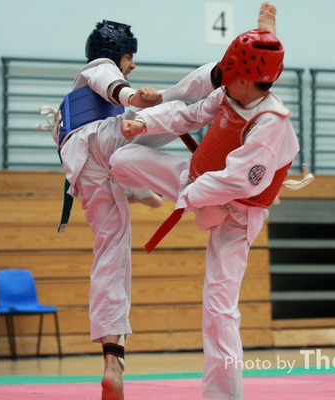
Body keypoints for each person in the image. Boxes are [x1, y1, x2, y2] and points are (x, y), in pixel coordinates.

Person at [110, 28, 300, 400]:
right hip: (194, 182)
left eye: (232, 72)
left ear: (247, 79)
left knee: (219, 309)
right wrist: (144, 123)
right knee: (123, 159)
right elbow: (189, 114)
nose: (224, 77)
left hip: (236, 215)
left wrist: (190, 198)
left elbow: (238, 181)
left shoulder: (271, 123)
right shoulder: (229, 93)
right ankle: (144, 193)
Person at [45, 19, 164, 400]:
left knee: (112, 257)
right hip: (99, 141)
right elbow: (109, 82)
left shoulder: (70, 106)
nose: (132, 65)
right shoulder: (98, 67)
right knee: (171, 111)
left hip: (85, 174)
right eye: (129, 57)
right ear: (116, 54)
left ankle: (113, 359)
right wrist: (133, 97)